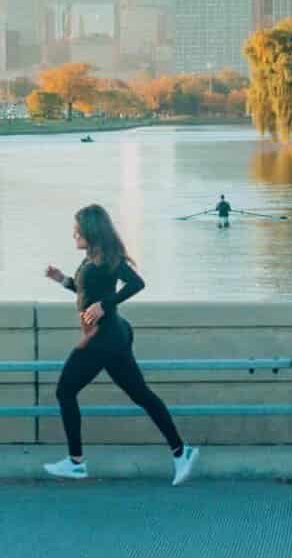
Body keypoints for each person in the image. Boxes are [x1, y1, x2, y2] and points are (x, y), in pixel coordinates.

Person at [41, 204, 198, 485]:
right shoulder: (92, 258)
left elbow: (137, 283)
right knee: (141, 394)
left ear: (90, 230)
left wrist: (106, 304)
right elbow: (87, 292)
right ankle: (181, 452)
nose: (73, 233)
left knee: (65, 390)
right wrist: (62, 280)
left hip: (104, 337)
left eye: (77, 228)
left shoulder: (106, 258)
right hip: (113, 335)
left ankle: (76, 463)